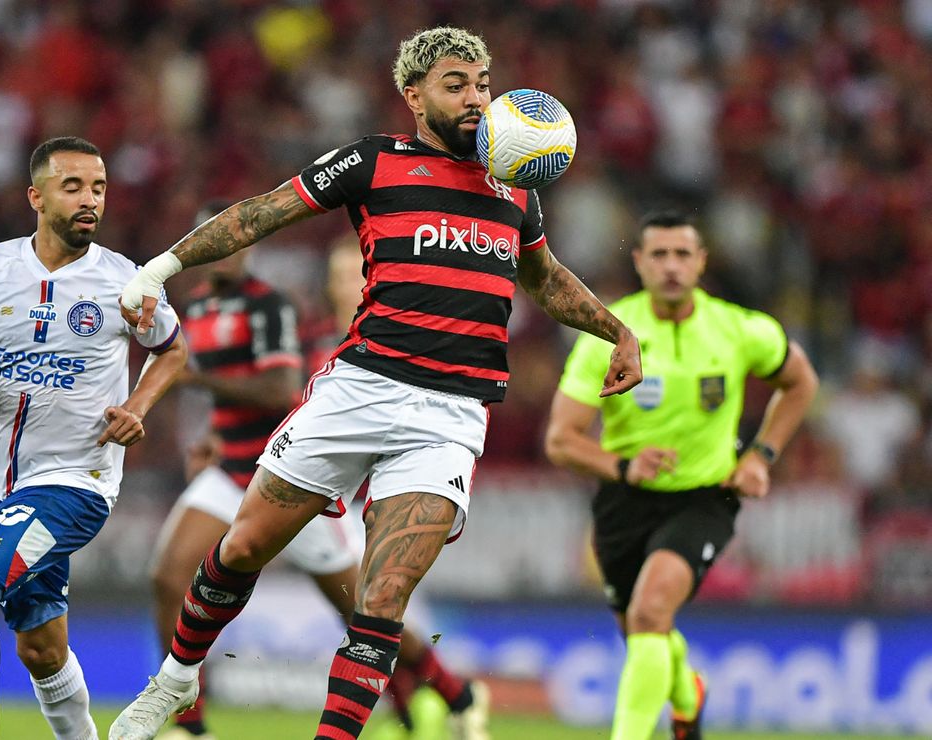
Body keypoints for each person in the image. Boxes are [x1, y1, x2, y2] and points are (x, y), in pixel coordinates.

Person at [111, 26, 642, 740]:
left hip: (451, 416)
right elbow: (263, 212)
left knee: (383, 598)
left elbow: (543, 280)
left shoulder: (515, 186)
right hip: (359, 389)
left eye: (482, 84)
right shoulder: (375, 162)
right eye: (457, 85)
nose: (476, 99)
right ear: (414, 95)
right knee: (240, 550)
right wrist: (162, 267)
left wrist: (618, 330)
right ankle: (175, 683)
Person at [151, 211, 488, 740]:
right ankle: (190, 726)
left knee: (365, 612)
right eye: (337, 273)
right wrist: (221, 433)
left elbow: (287, 395)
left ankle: (454, 695)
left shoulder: (392, 338)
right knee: (171, 575)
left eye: (353, 271)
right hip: (251, 468)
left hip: (318, 492)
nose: (344, 282)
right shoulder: (313, 334)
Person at [0, 136, 188, 740]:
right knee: (42, 650)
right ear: (36, 196)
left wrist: (137, 405)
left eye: (98, 188)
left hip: (77, 482)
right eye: (73, 187)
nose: (89, 200)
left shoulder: (125, 283)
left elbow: (172, 350)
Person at [544, 211, 819, 740]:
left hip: (705, 496)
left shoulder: (739, 329)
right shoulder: (608, 335)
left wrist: (761, 455)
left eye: (682, 254)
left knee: (650, 612)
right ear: (639, 262)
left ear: (701, 262)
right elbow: (561, 439)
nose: (671, 266)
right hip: (626, 500)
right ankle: (688, 692)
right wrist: (623, 465)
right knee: (643, 633)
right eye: (660, 255)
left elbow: (801, 382)